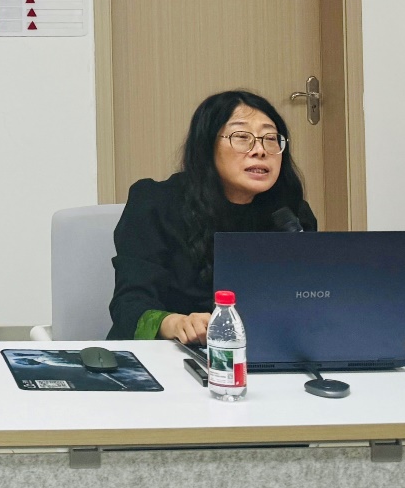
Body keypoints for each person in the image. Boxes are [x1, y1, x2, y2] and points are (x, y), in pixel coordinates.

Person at [108, 89, 317, 344]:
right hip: (172, 352)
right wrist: (174, 323)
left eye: (271, 138)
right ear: (207, 146)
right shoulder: (156, 204)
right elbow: (130, 304)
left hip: (261, 352)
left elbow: (305, 299)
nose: (260, 150)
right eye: (242, 137)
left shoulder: (290, 214)